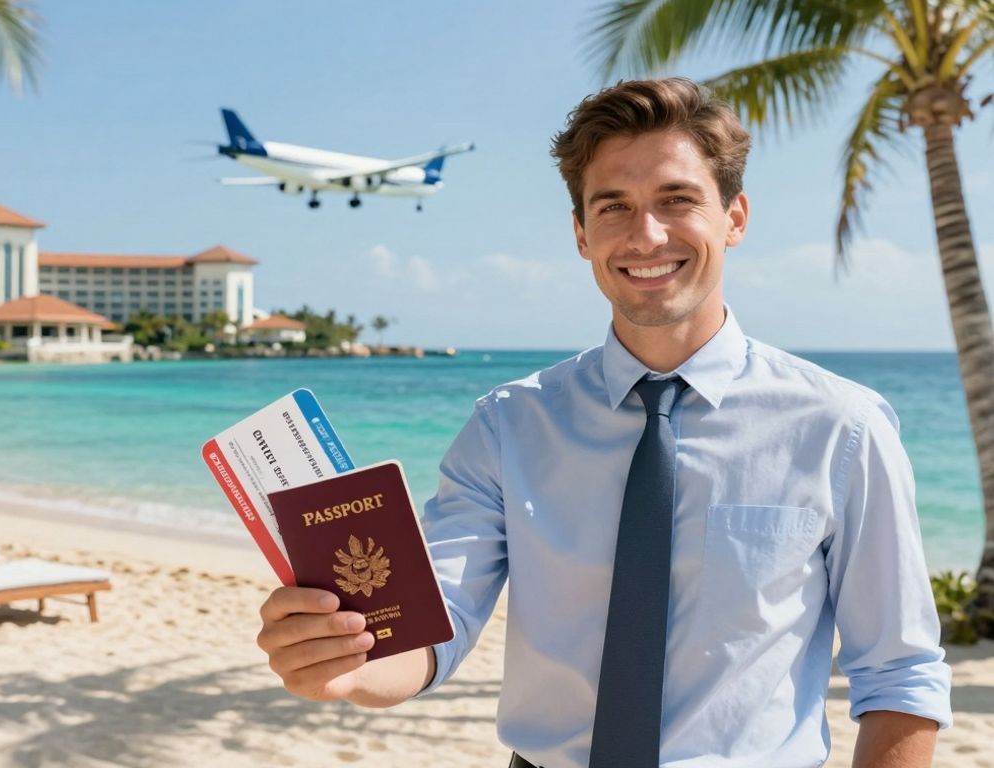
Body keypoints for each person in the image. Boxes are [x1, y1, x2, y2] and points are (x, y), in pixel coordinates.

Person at [254, 78, 952, 768]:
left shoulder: (841, 427)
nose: (646, 235)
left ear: (735, 218)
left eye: (676, 199)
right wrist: (350, 664)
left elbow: (899, 671)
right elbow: (438, 620)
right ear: (581, 234)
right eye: (613, 206)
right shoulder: (508, 425)